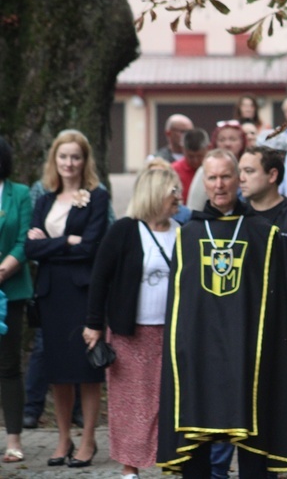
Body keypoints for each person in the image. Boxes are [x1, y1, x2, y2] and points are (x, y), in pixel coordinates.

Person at [157, 149, 287, 476]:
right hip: (200, 353)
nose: (219, 185)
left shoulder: (264, 234)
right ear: (203, 182)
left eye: (225, 177)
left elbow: (278, 305)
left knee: (253, 438)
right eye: (212, 177)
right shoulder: (188, 236)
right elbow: (179, 308)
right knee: (196, 437)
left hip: (247, 351)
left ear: (238, 180)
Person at [82, 168, 181, 479]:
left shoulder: (182, 230)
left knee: (166, 401)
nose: (178, 197)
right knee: (130, 403)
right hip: (130, 334)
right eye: (172, 192)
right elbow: (100, 278)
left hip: (171, 333)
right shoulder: (125, 230)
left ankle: (168, 460)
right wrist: (93, 324)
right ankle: (129, 467)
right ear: (154, 195)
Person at [25, 129, 109, 468]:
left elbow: (91, 246)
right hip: (50, 293)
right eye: (63, 157)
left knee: (85, 371)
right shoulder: (44, 199)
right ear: (54, 160)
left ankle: (88, 439)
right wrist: (67, 242)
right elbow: (30, 247)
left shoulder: (97, 197)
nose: (69, 163)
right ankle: (63, 439)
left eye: (75, 157)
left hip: (80, 292)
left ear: (85, 160)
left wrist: (51, 244)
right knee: (58, 371)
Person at [239, 146, 287, 346]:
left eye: (249, 171)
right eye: (240, 172)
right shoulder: (239, 216)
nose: (241, 178)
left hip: (283, 323)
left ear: (272, 175)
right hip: (245, 322)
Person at [0, 137, 33, 463]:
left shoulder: (20, 194)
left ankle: (13, 439)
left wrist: (3, 269)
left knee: (9, 366)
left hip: (10, 291)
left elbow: (25, 240)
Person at [186, 120, 247, 211]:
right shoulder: (203, 170)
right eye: (222, 140)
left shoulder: (249, 169)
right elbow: (194, 208)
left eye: (232, 139)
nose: (227, 144)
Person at [172, 128, 208, 202]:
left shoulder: (215, 168)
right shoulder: (174, 171)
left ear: (208, 148)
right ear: (183, 149)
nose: (196, 161)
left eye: (199, 156)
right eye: (190, 156)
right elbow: (174, 198)